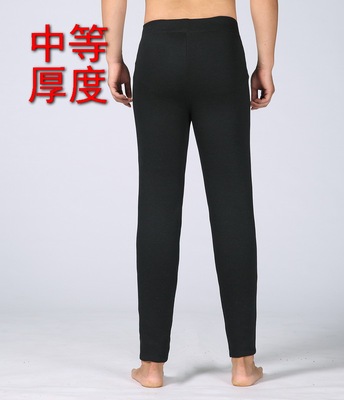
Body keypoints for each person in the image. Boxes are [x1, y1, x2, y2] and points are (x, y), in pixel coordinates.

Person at [101, 0, 278, 388]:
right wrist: (265, 64)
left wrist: (114, 58)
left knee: (157, 203)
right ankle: (243, 364)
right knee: (232, 201)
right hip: (221, 51)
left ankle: (151, 366)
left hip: (158, 50)